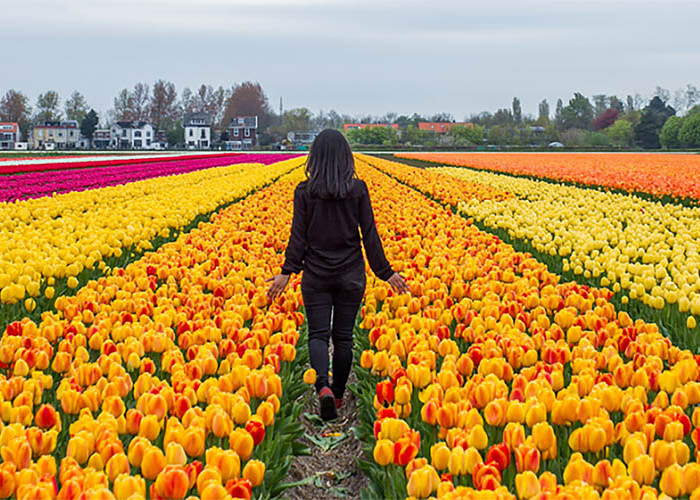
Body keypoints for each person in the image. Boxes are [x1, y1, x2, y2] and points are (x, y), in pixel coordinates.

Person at [266, 129, 409, 421]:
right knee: (343, 337)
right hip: (350, 274)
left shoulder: (304, 192)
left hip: (316, 274)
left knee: (318, 334)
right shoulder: (357, 190)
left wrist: (287, 272)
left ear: (314, 158)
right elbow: (369, 234)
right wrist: (386, 272)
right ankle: (340, 396)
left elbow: (298, 237)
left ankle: (323, 388)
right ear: (346, 157)